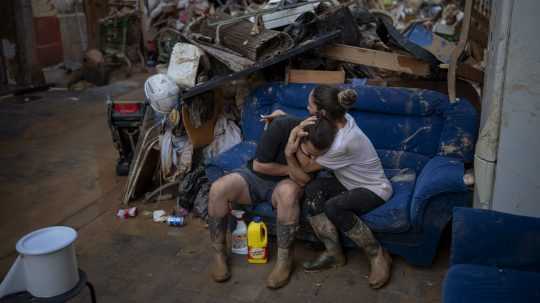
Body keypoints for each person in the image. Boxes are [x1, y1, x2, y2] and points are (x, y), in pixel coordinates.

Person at [263, 85, 394, 289]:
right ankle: (334, 254)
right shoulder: (340, 118)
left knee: (334, 207)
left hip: (373, 188)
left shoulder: (343, 142)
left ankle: (377, 254)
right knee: (313, 190)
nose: (307, 108)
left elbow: (306, 167)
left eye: (309, 105)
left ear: (322, 112)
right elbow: (310, 125)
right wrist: (283, 118)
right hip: (348, 182)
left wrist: (291, 144)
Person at [207, 114, 336, 289]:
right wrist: (293, 169)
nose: (312, 161)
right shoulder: (281, 126)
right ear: (300, 136)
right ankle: (218, 254)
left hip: (284, 185)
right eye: (309, 154)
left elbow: (304, 180)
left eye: (317, 157)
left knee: (289, 193)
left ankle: (284, 261)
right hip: (254, 176)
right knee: (218, 189)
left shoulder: (326, 144)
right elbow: (259, 166)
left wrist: (289, 154)